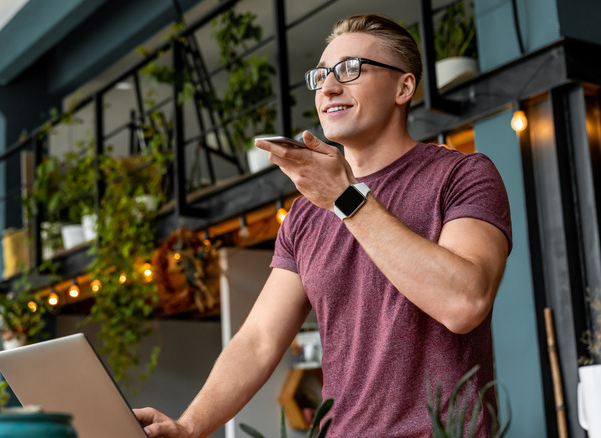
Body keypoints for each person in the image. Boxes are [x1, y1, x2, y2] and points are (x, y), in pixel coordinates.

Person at [135, 13, 511, 437]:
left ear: (404, 87)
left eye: (351, 70)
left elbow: (464, 303)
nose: (329, 87)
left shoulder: (462, 175)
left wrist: (345, 199)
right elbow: (258, 340)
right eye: (321, 76)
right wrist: (188, 426)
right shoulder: (304, 214)